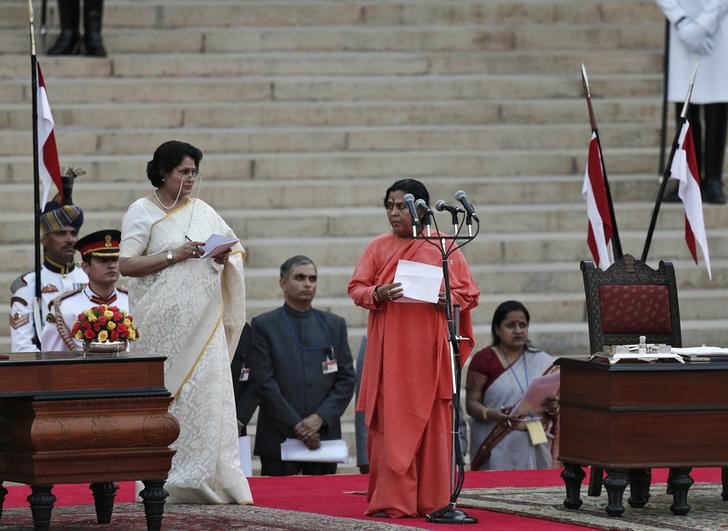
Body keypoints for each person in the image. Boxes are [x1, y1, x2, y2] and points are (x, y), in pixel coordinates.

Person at [118, 140, 251, 504]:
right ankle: (168, 482)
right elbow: (126, 265)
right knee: (171, 403)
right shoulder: (142, 211)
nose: (190, 179)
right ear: (163, 172)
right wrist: (174, 254)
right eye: (183, 172)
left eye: (194, 172)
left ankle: (211, 481)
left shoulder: (203, 210)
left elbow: (233, 252)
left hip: (204, 325)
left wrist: (221, 260)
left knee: (208, 401)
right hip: (161, 326)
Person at [348, 179, 479, 518]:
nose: (394, 212)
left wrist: (444, 298)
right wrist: (377, 293)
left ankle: (432, 500)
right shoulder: (378, 247)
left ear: (420, 209)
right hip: (390, 354)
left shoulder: (444, 247)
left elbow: (468, 293)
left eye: (401, 206)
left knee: (433, 424)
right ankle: (394, 500)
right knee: (392, 426)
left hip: (430, 353)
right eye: (389, 206)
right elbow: (357, 288)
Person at [249, 255, 355, 476]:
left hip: (323, 435)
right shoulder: (264, 325)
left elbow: (346, 379)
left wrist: (320, 418)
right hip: (279, 434)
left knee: (323, 506)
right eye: (300, 277)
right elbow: (263, 382)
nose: (308, 284)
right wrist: (298, 425)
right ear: (283, 282)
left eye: (313, 278)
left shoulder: (334, 325)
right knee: (276, 509)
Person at [466, 300, 559, 471]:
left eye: (523, 325)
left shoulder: (543, 361)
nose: (518, 330)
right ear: (497, 329)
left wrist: (553, 406)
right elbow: (471, 404)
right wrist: (493, 415)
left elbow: (556, 405)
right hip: (494, 434)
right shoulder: (484, 360)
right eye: (510, 325)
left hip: (536, 433)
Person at [656, 0, 728, 204]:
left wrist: (703, 25)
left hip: (718, 27)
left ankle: (713, 179)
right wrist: (681, 22)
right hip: (682, 32)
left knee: (717, 106)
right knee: (685, 109)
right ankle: (687, 178)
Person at [10, 201, 87, 352]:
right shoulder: (29, 285)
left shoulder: (88, 277)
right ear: (44, 240)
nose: (70, 239)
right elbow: (22, 347)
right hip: (48, 369)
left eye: (73, 233)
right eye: (60, 233)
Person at [40, 229, 128, 351]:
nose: (111, 265)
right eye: (103, 261)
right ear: (86, 267)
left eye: (114, 259)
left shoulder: (132, 301)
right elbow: (51, 356)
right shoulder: (64, 307)